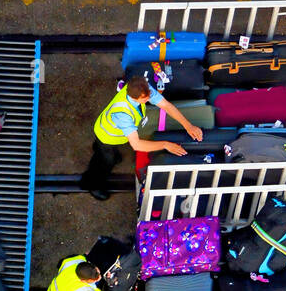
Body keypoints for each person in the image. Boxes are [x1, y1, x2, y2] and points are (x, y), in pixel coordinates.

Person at [80, 72, 203, 200]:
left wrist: (188, 125)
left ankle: (101, 151)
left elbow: (166, 105)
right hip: (107, 136)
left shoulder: (140, 87)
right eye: (145, 98)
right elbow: (137, 144)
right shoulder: (123, 114)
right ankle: (92, 184)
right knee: (106, 160)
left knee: (105, 152)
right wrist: (166, 144)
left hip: (110, 129)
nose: (150, 98)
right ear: (135, 98)